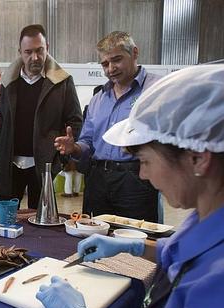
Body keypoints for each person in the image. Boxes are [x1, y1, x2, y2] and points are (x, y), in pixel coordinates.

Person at [37, 65, 224, 308]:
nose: (143, 175)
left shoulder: (217, 286)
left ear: (198, 158)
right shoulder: (206, 213)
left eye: (146, 161)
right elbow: (183, 253)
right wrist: (135, 246)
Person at [54, 31, 161, 222]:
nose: (111, 68)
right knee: (94, 238)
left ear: (135, 53)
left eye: (116, 60)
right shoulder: (98, 99)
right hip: (97, 181)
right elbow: (88, 142)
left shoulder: (156, 90)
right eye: (105, 64)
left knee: (135, 239)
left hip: (137, 180)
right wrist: (75, 148)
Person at [0, 24, 82, 209]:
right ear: (20, 52)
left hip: (44, 167)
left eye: (39, 50)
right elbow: (0, 123)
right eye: (28, 52)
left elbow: (75, 121)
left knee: (43, 226)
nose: (35, 57)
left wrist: (61, 159)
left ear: (47, 48)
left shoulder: (62, 82)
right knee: (6, 222)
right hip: (10, 166)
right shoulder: (8, 83)